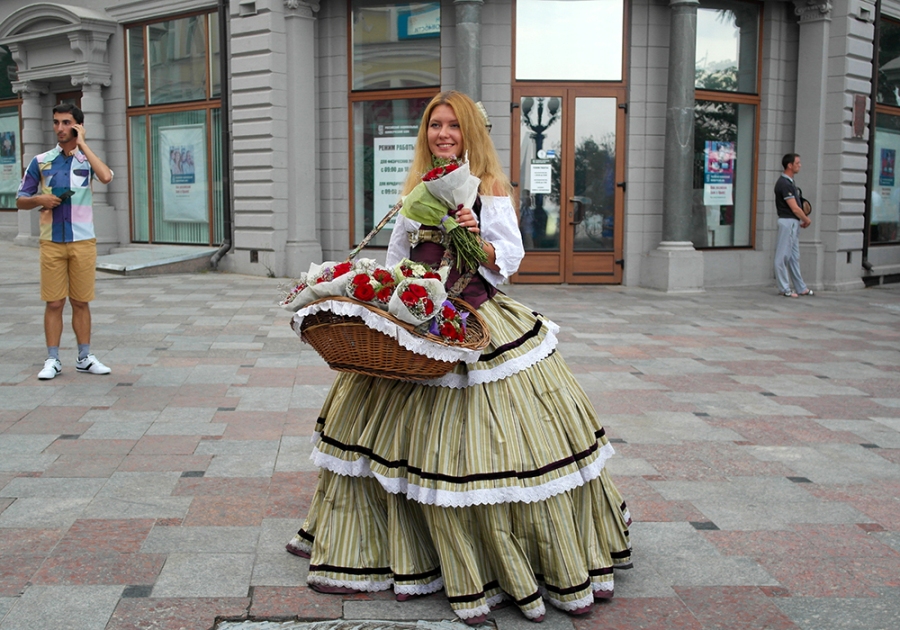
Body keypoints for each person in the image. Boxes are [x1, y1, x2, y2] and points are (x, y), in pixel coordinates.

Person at [285, 91, 632, 624]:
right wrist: (389, 297)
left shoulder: (489, 187)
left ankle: (495, 554)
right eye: (434, 125)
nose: (443, 134)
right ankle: (398, 545)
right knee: (388, 441)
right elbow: (398, 258)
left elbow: (509, 259)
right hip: (418, 323)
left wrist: (475, 235)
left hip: (474, 319)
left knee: (487, 446)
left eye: (453, 125)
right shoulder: (416, 190)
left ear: (470, 132)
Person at [16, 103, 113, 380]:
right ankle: (53, 359)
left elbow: (106, 177)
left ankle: (84, 357)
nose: (59, 128)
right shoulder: (41, 161)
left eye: (66, 122)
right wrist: (40, 199)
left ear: (78, 126)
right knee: (54, 303)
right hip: (52, 241)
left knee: (81, 302)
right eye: (56, 122)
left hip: (83, 240)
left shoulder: (87, 159)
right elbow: (21, 199)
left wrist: (83, 144)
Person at [774, 153, 814, 298]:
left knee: (793, 256)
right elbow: (795, 208)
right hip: (788, 221)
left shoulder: (790, 183)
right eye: (797, 163)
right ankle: (784, 288)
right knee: (782, 256)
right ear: (789, 165)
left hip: (793, 222)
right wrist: (806, 219)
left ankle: (800, 287)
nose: (800, 165)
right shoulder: (784, 184)